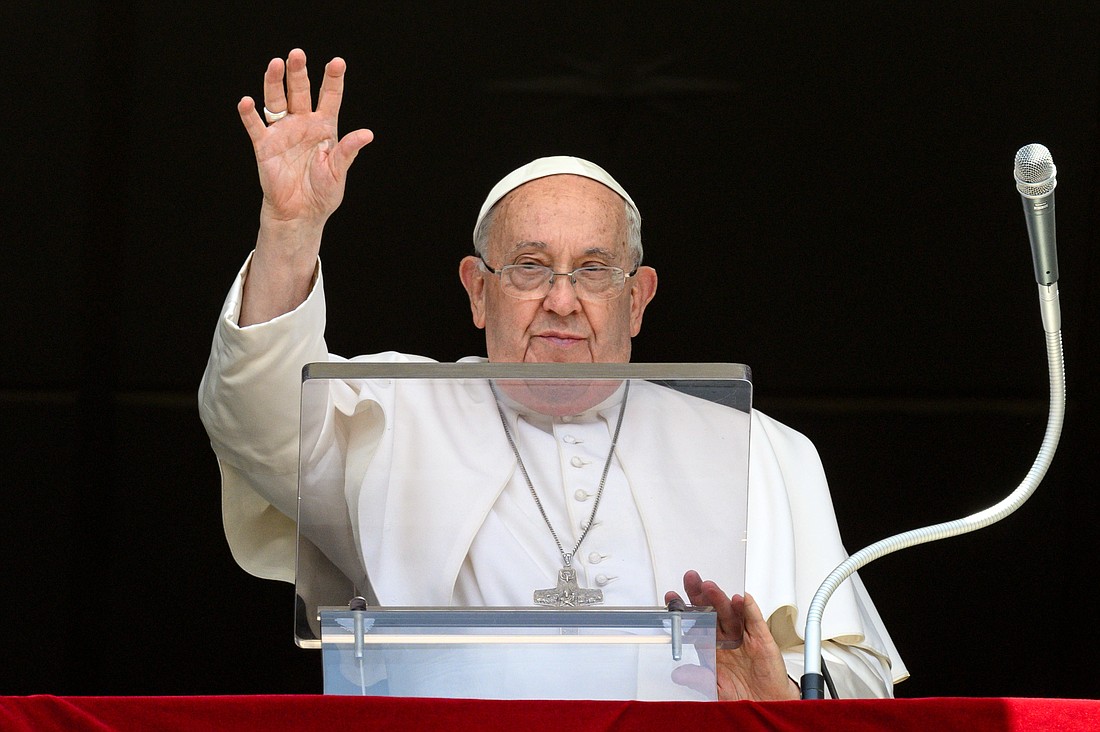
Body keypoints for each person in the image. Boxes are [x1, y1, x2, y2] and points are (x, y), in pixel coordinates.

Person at [199, 48, 907, 700]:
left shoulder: (758, 449)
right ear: (478, 290)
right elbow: (255, 424)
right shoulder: (391, 413)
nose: (561, 301)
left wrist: (779, 692)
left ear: (637, 299)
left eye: (594, 270)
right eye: (530, 267)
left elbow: (857, 676)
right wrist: (289, 232)